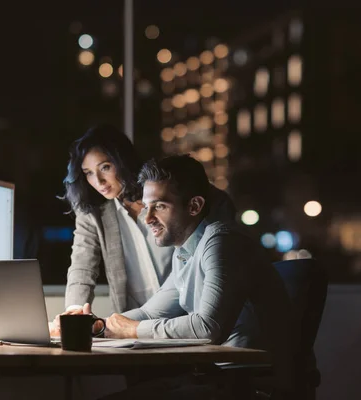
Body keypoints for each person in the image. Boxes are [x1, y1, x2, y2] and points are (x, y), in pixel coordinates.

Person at [88, 155, 296, 397]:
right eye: (147, 207)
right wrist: (96, 326)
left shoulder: (221, 242)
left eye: (160, 206)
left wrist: (132, 330)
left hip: (251, 383)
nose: (147, 218)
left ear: (195, 206)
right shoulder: (185, 250)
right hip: (216, 376)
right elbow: (150, 313)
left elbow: (207, 328)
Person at [59, 125, 236, 320]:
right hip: (138, 320)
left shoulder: (162, 189)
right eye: (88, 173)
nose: (98, 181)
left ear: (122, 161)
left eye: (105, 167)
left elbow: (218, 201)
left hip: (189, 314)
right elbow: (82, 265)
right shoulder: (94, 213)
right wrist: (74, 309)